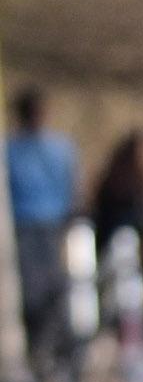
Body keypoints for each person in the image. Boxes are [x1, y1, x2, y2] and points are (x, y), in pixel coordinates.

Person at [6, 87, 73, 339]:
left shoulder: (58, 148)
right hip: (23, 227)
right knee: (33, 290)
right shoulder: (11, 150)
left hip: (50, 226)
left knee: (54, 289)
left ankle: (53, 343)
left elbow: (70, 186)